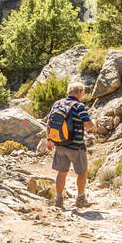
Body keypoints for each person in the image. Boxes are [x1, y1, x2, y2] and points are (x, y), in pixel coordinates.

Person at [45, 81, 96, 209]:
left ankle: (58, 200)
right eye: (83, 92)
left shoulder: (58, 103)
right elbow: (88, 126)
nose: (83, 95)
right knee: (82, 173)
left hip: (60, 145)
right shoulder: (79, 106)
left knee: (61, 173)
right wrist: (94, 122)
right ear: (79, 92)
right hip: (76, 146)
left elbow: (49, 122)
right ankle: (80, 199)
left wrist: (49, 140)